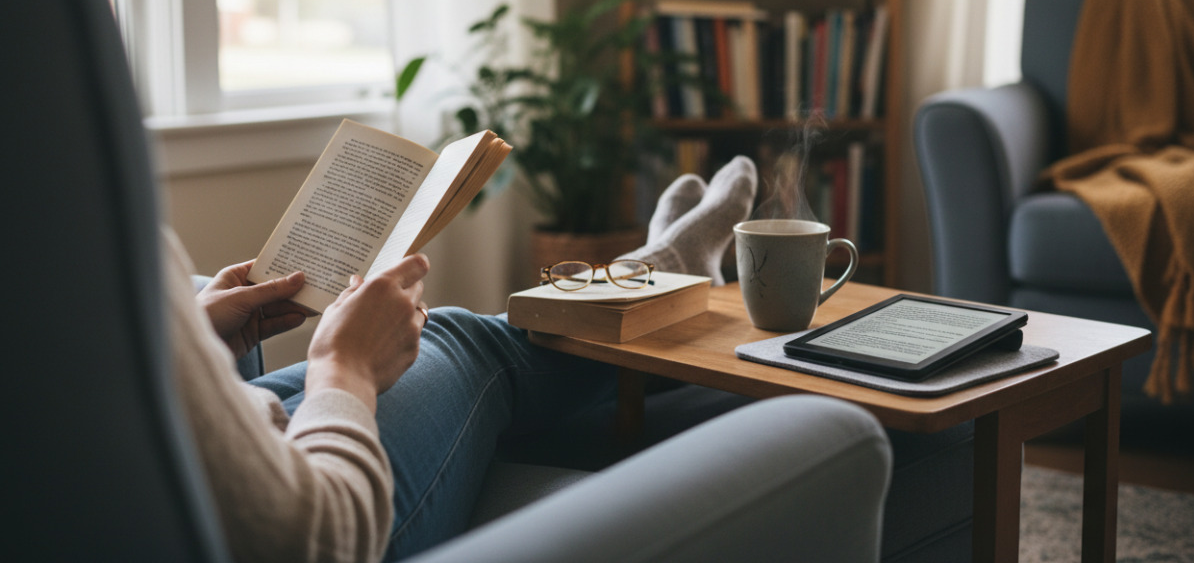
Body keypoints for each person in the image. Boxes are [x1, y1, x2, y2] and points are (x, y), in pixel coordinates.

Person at [170, 157, 758, 562]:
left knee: (448, 334)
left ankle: (661, 270)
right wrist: (343, 369)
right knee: (458, 340)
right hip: (305, 509)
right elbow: (314, 544)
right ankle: (668, 269)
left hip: (231, 424)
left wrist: (196, 341)